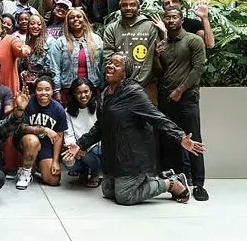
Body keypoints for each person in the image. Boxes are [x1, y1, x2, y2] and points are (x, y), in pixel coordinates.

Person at [63, 53, 206, 205]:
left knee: (125, 196)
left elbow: (157, 117)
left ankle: (172, 183)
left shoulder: (134, 92)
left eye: (116, 65)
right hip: (114, 158)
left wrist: (180, 137)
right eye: (109, 63)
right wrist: (80, 144)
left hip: (133, 158)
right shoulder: (106, 93)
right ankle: (156, 178)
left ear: (125, 74)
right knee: (108, 192)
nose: (110, 66)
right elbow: (100, 126)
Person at [157, 8, 209, 201]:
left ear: (181, 19)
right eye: (168, 17)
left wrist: (180, 90)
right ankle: (180, 182)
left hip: (187, 98)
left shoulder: (193, 40)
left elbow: (199, 68)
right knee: (172, 140)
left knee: (193, 138)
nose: (171, 20)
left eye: (174, 17)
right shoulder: (163, 44)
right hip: (166, 98)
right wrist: (157, 56)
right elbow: (162, 71)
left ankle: (199, 184)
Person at [14, 76, 67, 189]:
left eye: (47, 89)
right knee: (32, 140)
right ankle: (25, 173)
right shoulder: (28, 102)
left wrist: (56, 161)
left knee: (53, 180)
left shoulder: (58, 109)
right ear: (35, 90)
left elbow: (59, 136)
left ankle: (37, 165)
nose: (43, 93)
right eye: (39, 89)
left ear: (52, 91)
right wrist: (43, 130)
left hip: (46, 145)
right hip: (27, 141)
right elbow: (20, 127)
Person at [103, 0, 163, 86]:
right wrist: (119, 80)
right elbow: (108, 58)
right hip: (118, 84)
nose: (128, 8)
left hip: (146, 84)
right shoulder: (111, 28)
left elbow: (150, 58)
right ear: (120, 8)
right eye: (124, 5)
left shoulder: (150, 26)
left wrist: (138, 83)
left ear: (138, 8)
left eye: (132, 5)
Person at [53, 9, 104, 102]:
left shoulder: (96, 40)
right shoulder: (61, 42)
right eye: (72, 18)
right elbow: (55, 67)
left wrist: (102, 87)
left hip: (92, 89)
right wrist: (56, 90)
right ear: (67, 22)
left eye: (79, 17)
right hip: (68, 89)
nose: (76, 19)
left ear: (85, 20)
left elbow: (102, 65)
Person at [62, 78, 102, 188]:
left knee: (88, 154)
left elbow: (100, 132)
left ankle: (95, 173)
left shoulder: (99, 107)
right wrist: (72, 147)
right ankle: (83, 172)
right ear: (73, 94)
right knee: (67, 161)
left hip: (97, 147)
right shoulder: (68, 111)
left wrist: (81, 147)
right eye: (78, 92)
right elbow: (68, 133)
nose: (83, 95)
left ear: (91, 92)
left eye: (86, 92)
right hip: (78, 147)